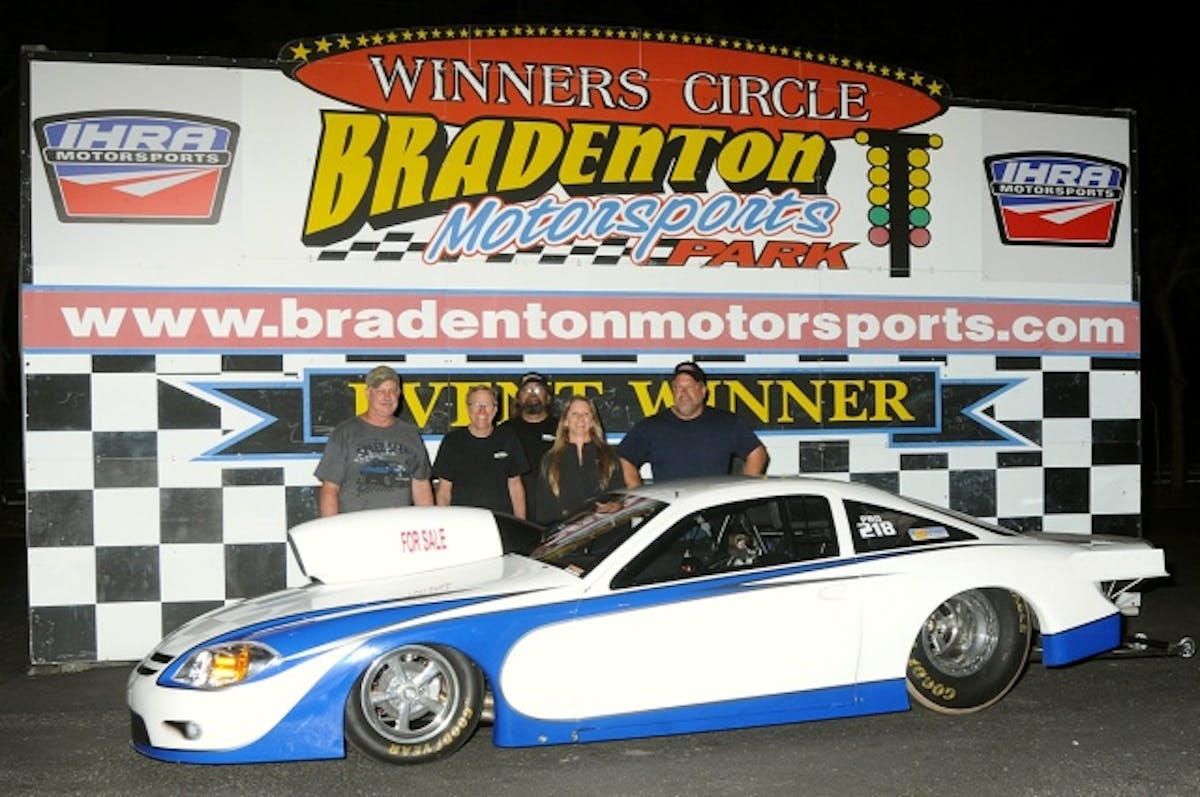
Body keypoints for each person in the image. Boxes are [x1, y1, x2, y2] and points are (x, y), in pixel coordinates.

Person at [617, 361, 768, 486]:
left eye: (690, 387)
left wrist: (739, 494)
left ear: (703, 390)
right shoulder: (650, 427)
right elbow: (623, 457)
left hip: (714, 514)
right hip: (672, 517)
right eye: (678, 387)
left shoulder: (726, 423)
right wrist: (638, 496)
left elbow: (758, 453)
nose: (683, 393)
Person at [314, 365, 433, 515]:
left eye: (392, 391)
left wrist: (428, 526)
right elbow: (330, 489)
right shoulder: (345, 433)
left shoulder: (411, 434)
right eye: (380, 391)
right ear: (368, 394)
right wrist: (331, 531)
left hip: (398, 530)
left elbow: (421, 485)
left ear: (399, 394)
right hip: (357, 530)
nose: (387, 396)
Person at [433, 384, 530, 517]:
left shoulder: (508, 439)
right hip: (463, 523)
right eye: (476, 405)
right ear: (468, 408)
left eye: (487, 405)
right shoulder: (452, 441)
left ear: (495, 409)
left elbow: (515, 487)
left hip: (501, 523)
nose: (482, 411)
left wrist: (521, 524)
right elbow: (444, 491)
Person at [534, 394, 626, 524]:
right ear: (565, 421)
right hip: (564, 535)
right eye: (575, 414)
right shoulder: (550, 459)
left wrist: (616, 506)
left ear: (593, 421)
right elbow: (544, 509)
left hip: (602, 532)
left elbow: (621, 498)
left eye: (586, 414)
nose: (580, 419)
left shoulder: (609, 455)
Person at [498, 371, 560, 521]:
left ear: (548, 397)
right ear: (518, 398)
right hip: (514, 516)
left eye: (538, 389)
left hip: (556, 514)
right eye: (526, 390)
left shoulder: (563, 428)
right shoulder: (504, 431)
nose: (532, 394)